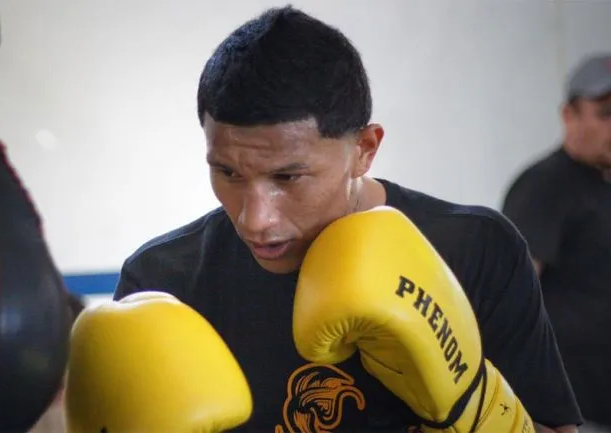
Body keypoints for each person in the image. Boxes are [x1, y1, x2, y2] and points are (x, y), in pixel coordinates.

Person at [110, 6, 582, 432]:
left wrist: (472, 407)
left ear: (365, 149)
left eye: (289, 176)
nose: (255, 220)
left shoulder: (477, 248)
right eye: (227, 172)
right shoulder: (161, 283)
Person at [502, 54, 611, 433]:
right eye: (605, 113)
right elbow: (511, 299)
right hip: (572, 416)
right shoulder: (546, 186)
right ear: (570, 116)